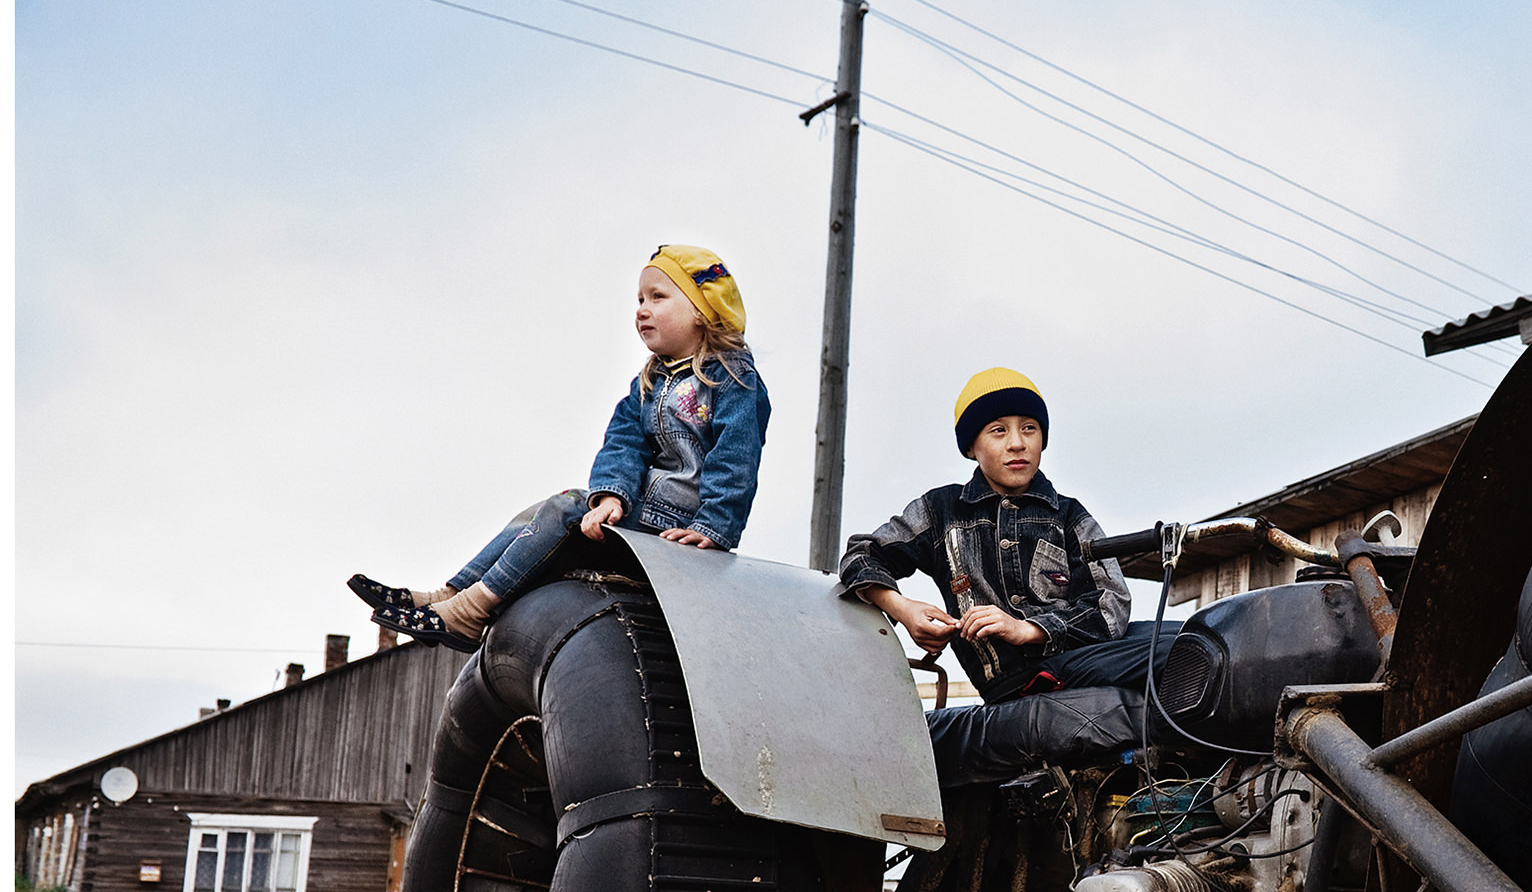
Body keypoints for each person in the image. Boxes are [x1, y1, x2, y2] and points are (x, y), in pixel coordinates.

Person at [350, 245, 767, 650]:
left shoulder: (732, 380)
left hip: (677, 526)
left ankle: (470, 613)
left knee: (565, 507)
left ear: (701, 309)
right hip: (643, 512)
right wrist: (610, 497)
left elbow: (735, 460)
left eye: (658, 297)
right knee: (536, 513)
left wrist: (712, 528)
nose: (642, 309)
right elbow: (622, 446)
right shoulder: (650, 383)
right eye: (640, 298)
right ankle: (451, 593)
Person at [837, 367, 1170, 703]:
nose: (1017, 443)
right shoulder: (941, 511)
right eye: (998, 431)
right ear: (971, 447)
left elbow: (1111, 604)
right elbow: (861, 555)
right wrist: (903, 610)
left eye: (1029, 428)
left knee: (1198, 632)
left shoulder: (1068, 515)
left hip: (1080, 655)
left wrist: (1029, 629)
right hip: (1020, 679)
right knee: (1180, 650)